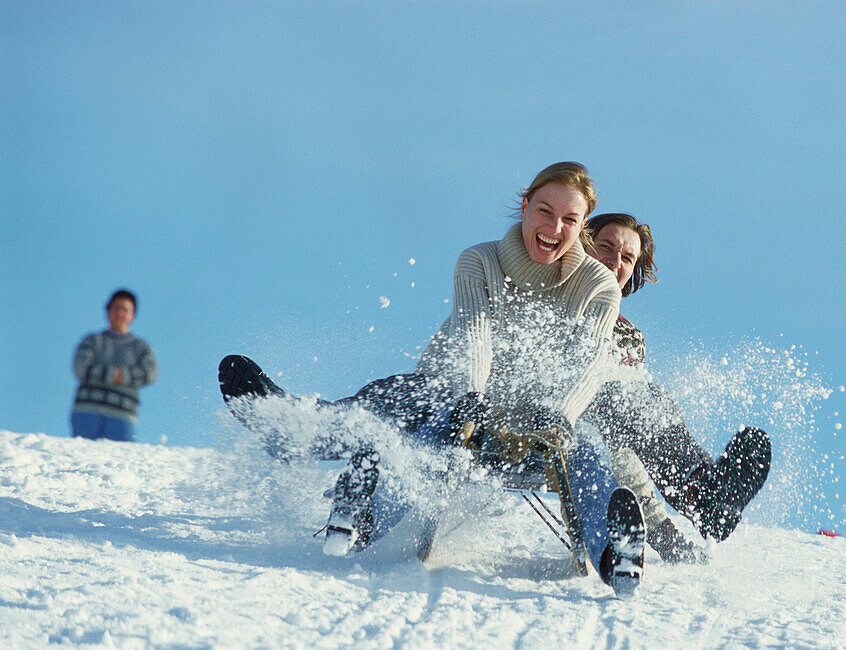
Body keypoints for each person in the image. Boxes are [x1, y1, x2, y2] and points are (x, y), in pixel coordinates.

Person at [220, 163, 648, 597]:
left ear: (581, 229)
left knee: (587, 445)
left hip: (540, 419)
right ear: (524, 207)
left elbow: (590, 361)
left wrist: (559, 415)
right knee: (420, 413)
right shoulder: (480, 261)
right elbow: (474, 333)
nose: (554, 227)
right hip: (456, 391)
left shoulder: (597, 285)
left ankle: (615, 554)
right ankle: (342, 489)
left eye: (569, 220)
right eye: (544, 211)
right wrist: (471, 398)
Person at [580, 213, 771, 563]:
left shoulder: (628, 338)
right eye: (605, 247)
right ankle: (700, 491)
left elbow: (625, 446)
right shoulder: (552, 295)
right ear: (582, 245)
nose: (614, 261)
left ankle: (706, 496)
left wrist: (665, 536)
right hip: (546, 420)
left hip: (598, 431)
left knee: (644, 400)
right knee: (634, 399)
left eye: (627, 258)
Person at [71, 289, 158, 442]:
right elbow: (81, 369)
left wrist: (104, 373)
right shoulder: (93, 341)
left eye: (125, 310)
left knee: (120, 463)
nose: (120, 313)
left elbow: (150, 374)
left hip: (123, 415)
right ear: (108, 311)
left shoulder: (140, 347)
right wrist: (119, 375)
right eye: (116, 308)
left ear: (132, 315)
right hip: (87, 411)